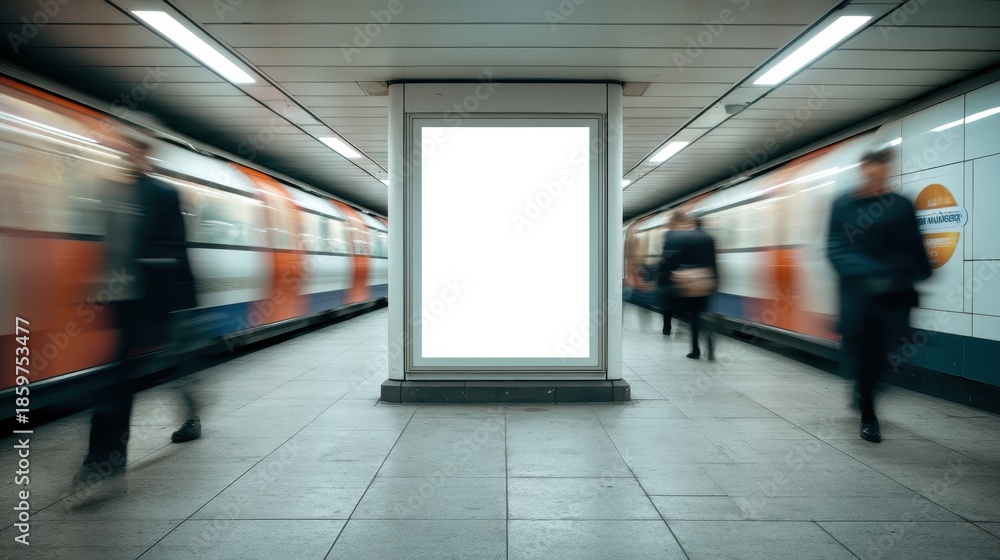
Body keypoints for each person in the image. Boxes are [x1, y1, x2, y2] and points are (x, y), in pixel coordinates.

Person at [75, 136, 198, 487]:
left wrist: (186, 303)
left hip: (154, 300)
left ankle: (105, 458)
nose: (128, 152)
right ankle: (104, 458)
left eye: (136, 147)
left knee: (131, 375)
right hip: (120, 302)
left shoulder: (163, 193)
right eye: (125, 147)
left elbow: (178, 250)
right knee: (120, 378)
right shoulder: (108, 191)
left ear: (146, 153)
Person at [827, 146, 931, 443]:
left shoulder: (901, 205)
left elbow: (915, 246)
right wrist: (874, 273)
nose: (878, 177)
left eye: (883, 171)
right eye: (872, 171)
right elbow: (836, 247)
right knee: (864, 355)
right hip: (859, 296)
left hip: (895, 297)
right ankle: (869, 415)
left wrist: (920, 271)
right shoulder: (843, 205)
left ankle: (864, 389)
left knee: (888, 355)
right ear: (863, 170)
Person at [655, 209, 718, 359]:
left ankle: (695, 350)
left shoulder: (681, 237)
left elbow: (672, 261)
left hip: (688, 281)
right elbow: (713, 262)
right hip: (705, 280)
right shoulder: (708, 237)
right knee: (700, 313)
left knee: (690, 314)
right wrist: (715, 282)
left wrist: (662, 273)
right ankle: (709, 341)